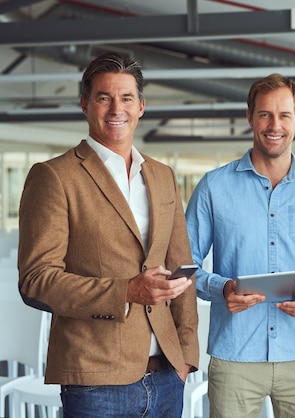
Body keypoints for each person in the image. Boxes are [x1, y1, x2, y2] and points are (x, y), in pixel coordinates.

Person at [17, 51, 199, 417]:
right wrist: (126, 291)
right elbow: (36, 280)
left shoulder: (162, 176)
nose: (117, 109)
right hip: (95, 379)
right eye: (104, 97)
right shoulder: (54, 176)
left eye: (127, 98)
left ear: (142, 106)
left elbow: (181, 266)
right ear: (85, 104)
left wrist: (187, 356)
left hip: (166, 376)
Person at [185, 73, 295, 418]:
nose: (275, 125)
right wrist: (222, 287)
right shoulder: (214, 187)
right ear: (250, 117)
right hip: (235, 353)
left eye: (284, 115)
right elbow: (184, 265)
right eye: (265, 114)